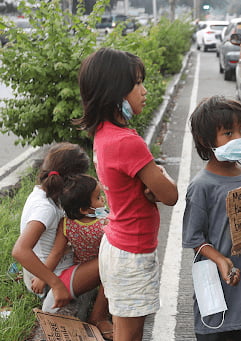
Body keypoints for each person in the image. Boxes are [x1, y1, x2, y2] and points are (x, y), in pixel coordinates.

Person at [75, 47, 179, 341]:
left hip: (117, 246)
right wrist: (161, 174)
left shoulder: (104, 134)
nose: (144, 90)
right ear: (114, 91)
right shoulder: (127, 142)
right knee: (130, 335)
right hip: (133, 253)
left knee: (124, 330)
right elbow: (169, 194)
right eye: (137, 84)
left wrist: (152, 178)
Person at [183, 95, 241, 340]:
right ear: (205, 140)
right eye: (228, 133)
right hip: (220, 282)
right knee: (218, 332)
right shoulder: (201, 186)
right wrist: (221, 260)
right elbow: (194, 238)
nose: (239, 138)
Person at [11, 143, 105, 318]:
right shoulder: (45, 208)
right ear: (71, 178)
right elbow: (20, 251)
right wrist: (56, 284)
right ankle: (98, 317)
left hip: (49, 272)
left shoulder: (43, 193)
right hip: (53, 276)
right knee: (112, 259)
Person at [46, 173, 112, 339]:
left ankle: (101, 315)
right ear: (83, 209)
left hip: (92, 267)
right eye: (98, 197)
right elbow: (56, 252)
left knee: (109, 267)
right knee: (110, 266)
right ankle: (100, 316)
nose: (102, 199)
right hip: (90, 270)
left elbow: (56, 252)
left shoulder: (70, 223)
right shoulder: (100, 221)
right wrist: (43, 278)